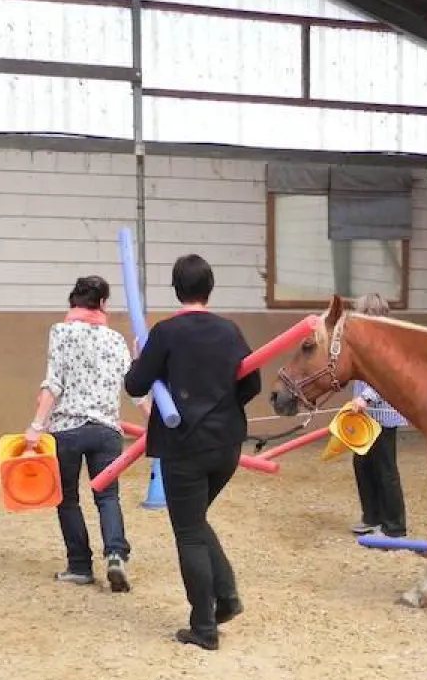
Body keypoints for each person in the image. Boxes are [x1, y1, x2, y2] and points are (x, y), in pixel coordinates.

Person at [124, 253, 262, 652]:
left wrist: (142, 356)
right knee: (196, 522)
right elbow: (250, 383)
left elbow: (135, 385)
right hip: (226, 446)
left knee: (188, 531)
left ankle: (204, 626)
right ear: (209, 288)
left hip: (183, 446)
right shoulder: (230, 331)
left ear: (177, 289)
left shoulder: (166, 334)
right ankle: (227, 597)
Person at [25, 274, 137, 593]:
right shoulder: (115, 340)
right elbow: (135, 388)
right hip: (106, 431)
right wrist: (157, 419)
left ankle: (79, 566)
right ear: (102, 303)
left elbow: (54, 383)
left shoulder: (60, 332)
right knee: (108, 497)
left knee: (68, 499)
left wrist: (36, 426)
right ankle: (116, 554)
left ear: (72, 302)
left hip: (67, 431)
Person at [347, 293, 409, 539]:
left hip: (384, 415)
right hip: (365, 416)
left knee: (385, 469)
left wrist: (366, 398)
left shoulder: (388, 342)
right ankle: (371, 517)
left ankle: (394, 526)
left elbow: (386, 377)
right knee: (362, 464)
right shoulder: (366, 341)